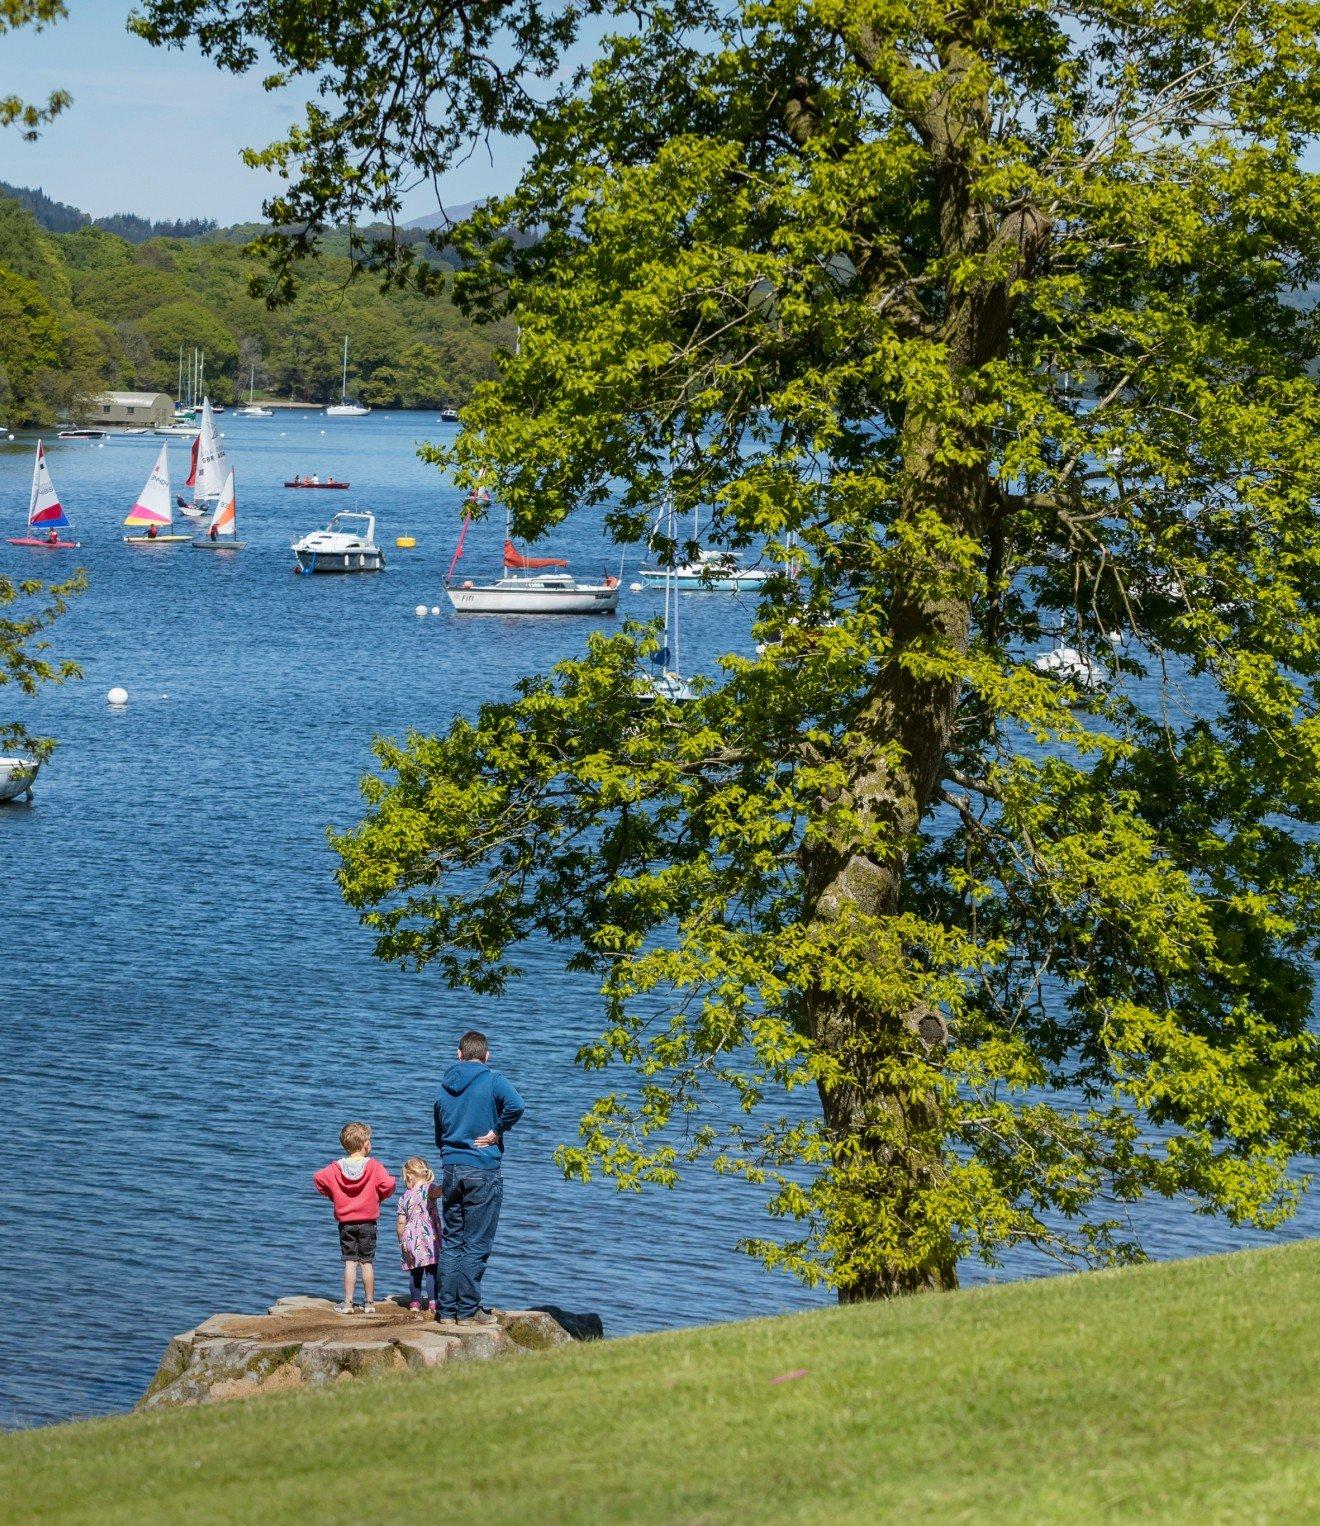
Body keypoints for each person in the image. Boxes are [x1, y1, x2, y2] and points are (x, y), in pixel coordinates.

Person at [434, 1031, 525, 1325]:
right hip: (482, 1169)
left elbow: (439, 1126)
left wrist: (449, 1152)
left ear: (458, 1054)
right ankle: (469, 1309)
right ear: (487, 1055)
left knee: (452, 1241)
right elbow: (517, 1106)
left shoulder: (445, 1086)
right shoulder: (494, 1079)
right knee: (476, 1243)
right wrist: (498, 1131)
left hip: (451, 1168)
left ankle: (446, 1310)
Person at [313, 1121, 396, 1315]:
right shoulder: (374, 1166)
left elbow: (318, 1178)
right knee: (366, 1262)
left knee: (350, 1262)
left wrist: (334, 1194)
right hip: (368, 1222)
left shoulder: (335, 1168)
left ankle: (348, 1303)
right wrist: (380, 1197)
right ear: (366, 1143)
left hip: (346, 1223)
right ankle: (369, 1303)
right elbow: (389, 1184)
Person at [396, 1156, 442, 1313]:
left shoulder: (404, 1197)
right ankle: (433, 1302)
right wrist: (448, 1185)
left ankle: (415, 1303)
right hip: (429, 1237)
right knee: (431, 1270)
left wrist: (401, 1239)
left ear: (409, 1176)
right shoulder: (430, 1189)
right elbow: (438, 1192)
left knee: (415, 1272)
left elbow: (401, 1222)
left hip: (411, 1238)